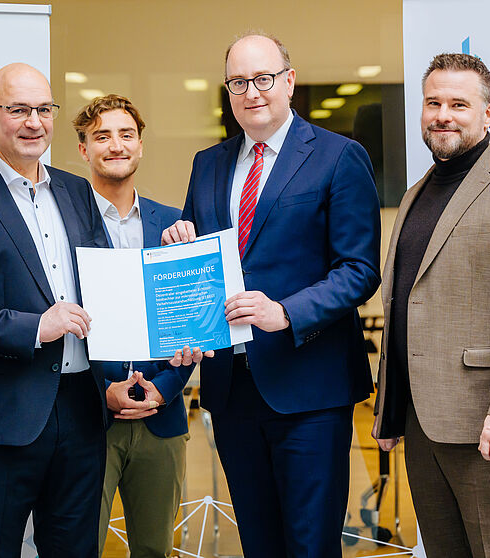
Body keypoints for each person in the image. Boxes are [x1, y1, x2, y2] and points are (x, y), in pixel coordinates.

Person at [0, 64, 200, 558]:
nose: (34, 122)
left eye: (43, 109)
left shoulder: (77, 192)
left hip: (81, 413)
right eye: (18, 109)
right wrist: (35, 327)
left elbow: (109, 289)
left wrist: (179, 297)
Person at [162, 33, 381, 557]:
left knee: (310, 546)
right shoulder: (207, 164)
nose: (252, 92)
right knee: (259, 544)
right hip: (232, 389)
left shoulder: (338, 156)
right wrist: (180, 244)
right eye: (238, 82)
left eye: (263, 78)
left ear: (289, 81)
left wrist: (285, 312)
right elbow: (204, 260)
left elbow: (359, 270)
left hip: (309, 389)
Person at [371, 52, 490, 558]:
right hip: (423, 424)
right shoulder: (416, 194)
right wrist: (390, 410)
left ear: (487, 113)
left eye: (459, 104)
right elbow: (406, 303)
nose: (443, 115)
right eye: (433, 103)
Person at [73, 94, 199, 558]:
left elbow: (192, 322)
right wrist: (102, 389)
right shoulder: (63, 224)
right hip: (89, 417)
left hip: (163, 417)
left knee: (155, 550)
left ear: (141, 145)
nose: (116, 145)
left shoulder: (175, 225)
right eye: (102, 136)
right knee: (80, 547)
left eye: (126, 135)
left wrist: (165, 387)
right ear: (84, 150)